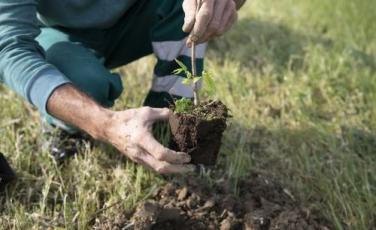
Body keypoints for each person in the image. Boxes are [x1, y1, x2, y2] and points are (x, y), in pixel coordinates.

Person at [0, 0, 246, 174]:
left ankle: (170, 119)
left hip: (133, 19)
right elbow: (9, 50)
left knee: (190, 7)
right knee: (86, 86)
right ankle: (65, 128)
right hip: (59, 34)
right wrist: (104, 123)